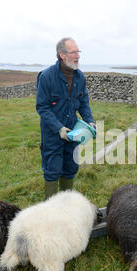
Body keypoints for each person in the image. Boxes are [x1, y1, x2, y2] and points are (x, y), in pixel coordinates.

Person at [36, 37, 95, 199]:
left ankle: (66, 206)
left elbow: (83, 102)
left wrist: (90, 121)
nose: (78, 55)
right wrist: (59, 128)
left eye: (78, 51)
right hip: (52, 133)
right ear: (62, 55)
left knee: (70, 168)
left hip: (74, 132)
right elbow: (42, 107)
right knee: (52, 171)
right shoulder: (47, 77)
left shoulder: (79, 77)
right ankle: (50, 210)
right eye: (73, 52)